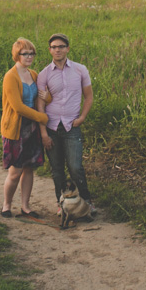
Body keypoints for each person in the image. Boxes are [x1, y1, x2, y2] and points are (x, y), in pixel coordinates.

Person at [37, 33, 95, 213]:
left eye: (61, 46)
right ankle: (62, 204)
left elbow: (89, 97)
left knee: (75, 167)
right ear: (49, 50)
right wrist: (43, 133)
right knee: (57, 170)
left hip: (72, 127)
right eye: (54, 47)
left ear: (67, 49)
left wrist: (82, 117)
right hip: (51, 128)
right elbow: (40, 106)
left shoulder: (80, 70)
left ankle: (86, 202)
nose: (58, 50)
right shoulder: (44, 74)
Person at [0, 37, 50, 218]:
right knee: (16, 171)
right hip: (16, 127)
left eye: (32, 53)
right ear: (17, 55)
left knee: (29, 168)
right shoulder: (10, 76)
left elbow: (44, 97)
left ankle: (25, 207)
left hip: (33, 128)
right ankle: (6, 205)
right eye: (25, 53)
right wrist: (41, 117)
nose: (29, 57)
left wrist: (48, 97)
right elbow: (18, 107)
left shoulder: (34, 74)